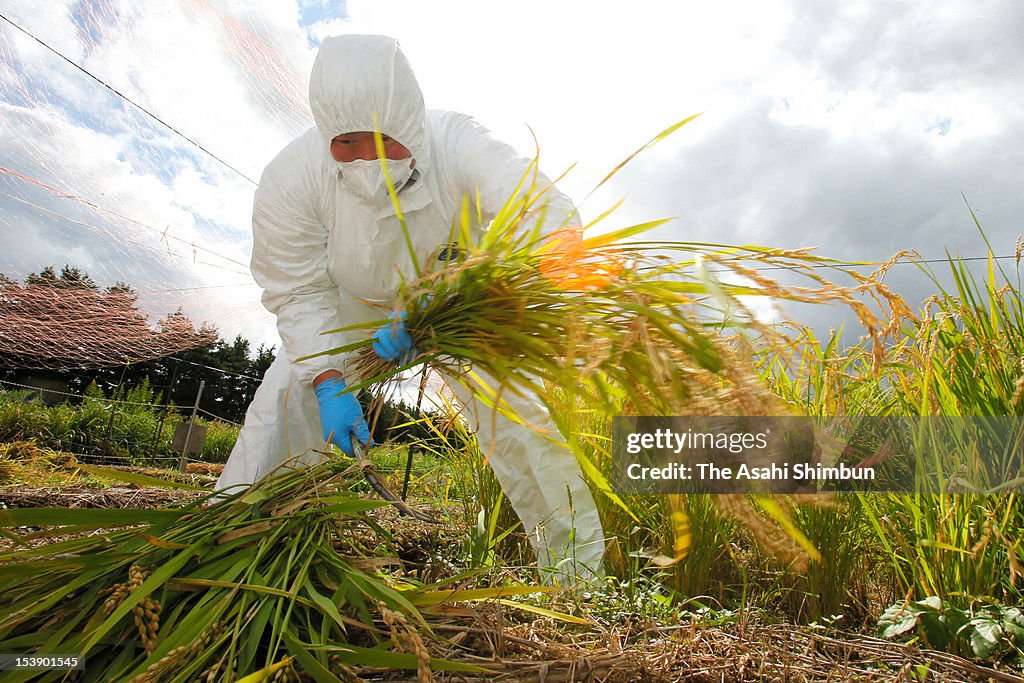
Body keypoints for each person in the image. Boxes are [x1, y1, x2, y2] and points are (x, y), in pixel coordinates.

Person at [216, 34, 605, 583]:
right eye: (347, 143)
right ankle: (238, 544)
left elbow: (544, 217)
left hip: (458, 305)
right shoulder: (291, 176)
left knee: (518, 421)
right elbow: (296, 288)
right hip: (350, 308)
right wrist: (329, 380)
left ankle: (577, 578)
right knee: (284, 399)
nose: (367, 159)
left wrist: (463, 289)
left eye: (383, 139)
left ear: (409, 119)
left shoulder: (458, 143)